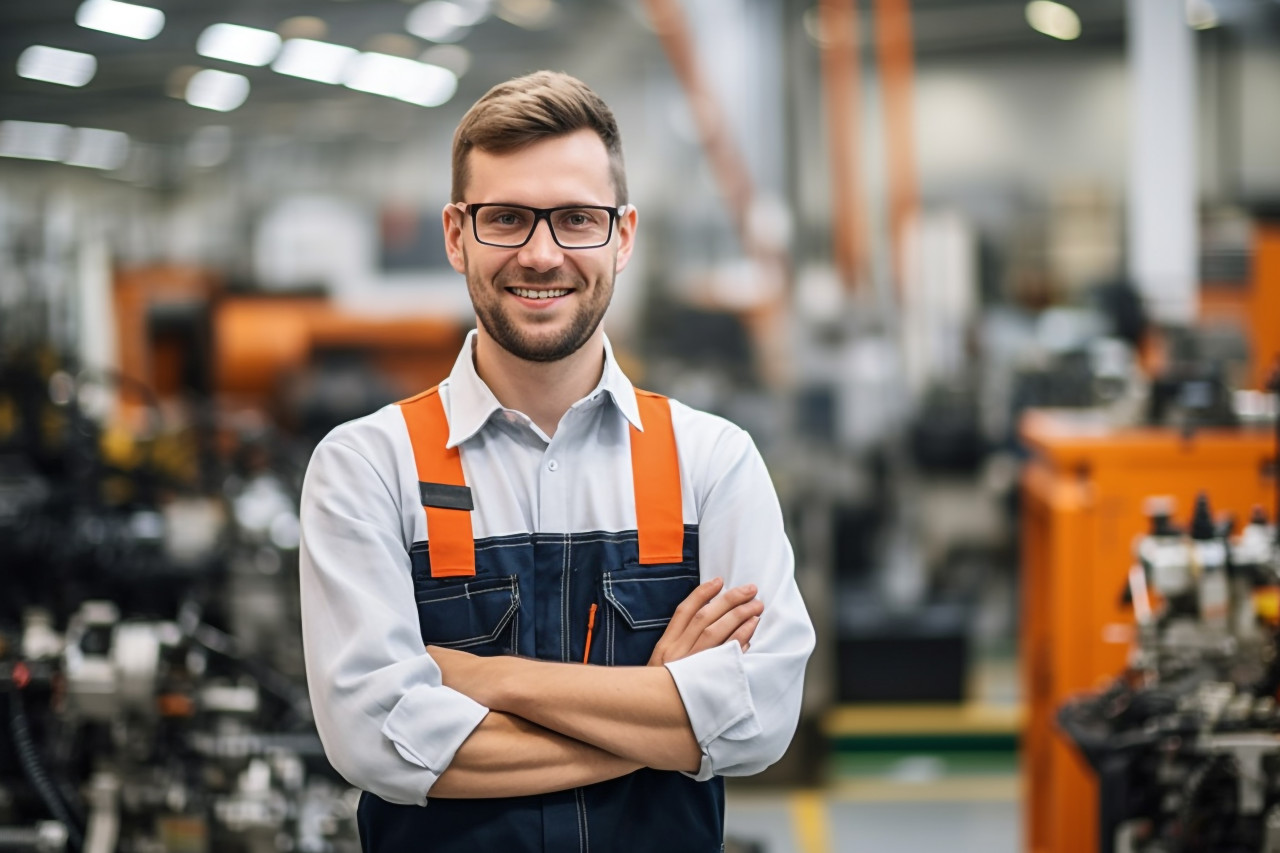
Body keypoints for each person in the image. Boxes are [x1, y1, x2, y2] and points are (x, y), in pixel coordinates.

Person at [299, 70, 815, 852]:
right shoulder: (368, 468)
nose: (541, 255)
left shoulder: (711, 462)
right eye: (506, 218)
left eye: (576, 218)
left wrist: (489, 679)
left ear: (624, 233)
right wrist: (664, 710)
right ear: (454, 233)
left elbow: (761, 721)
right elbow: (375, 738)